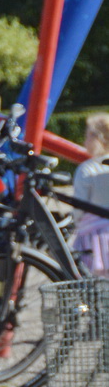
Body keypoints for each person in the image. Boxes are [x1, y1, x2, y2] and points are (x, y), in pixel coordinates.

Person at [72, 112, 109, 275]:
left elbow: (79, 207)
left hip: (94, 238)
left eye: (87, 136)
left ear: (97, 139)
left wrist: (76, 222)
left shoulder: (87, 169)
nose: (84, 141)